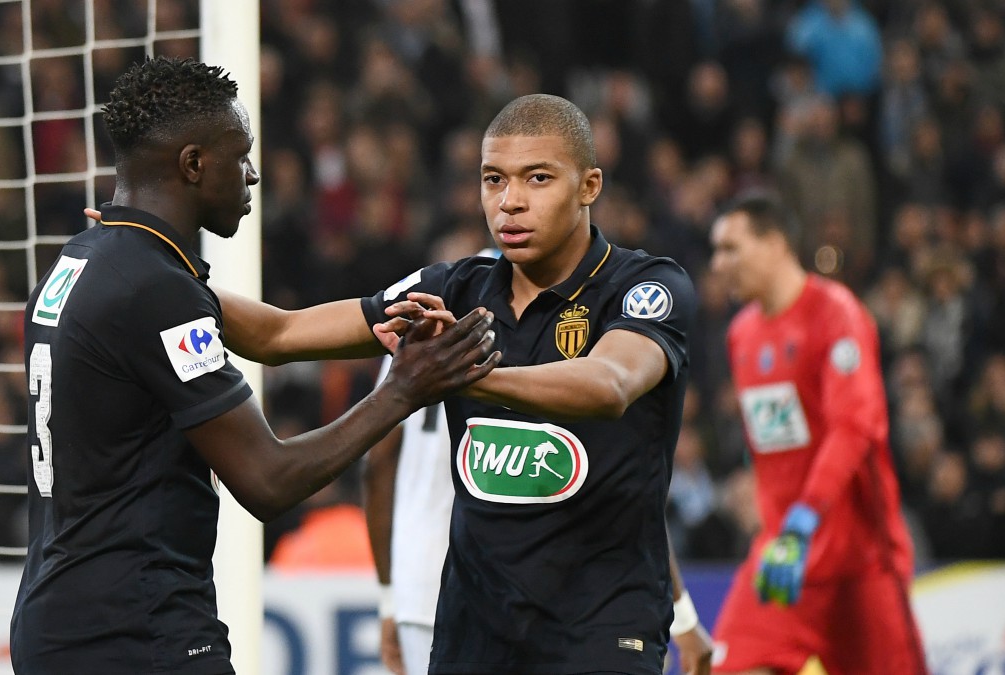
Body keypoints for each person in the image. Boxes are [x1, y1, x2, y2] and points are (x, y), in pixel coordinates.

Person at [9, 57, 500, 675]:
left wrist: (395, 308)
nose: (253, 174)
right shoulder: (153, 291)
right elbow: (269, 480)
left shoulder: (87, 260)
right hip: (136, 629)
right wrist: (403, 390)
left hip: (58, 620)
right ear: (192, 164)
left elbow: (276, 331)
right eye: (239, 155)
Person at [209, 93, 700, 673]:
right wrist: (161, 271)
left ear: (589, 186)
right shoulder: (456, 288)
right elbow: (281, 335)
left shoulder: (644, 286)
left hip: (599, 631)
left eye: (537, 179)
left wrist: (461, 372)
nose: (510, 202)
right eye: (494, 180)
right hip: (473, 633)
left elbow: (609, 385)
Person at [363, 356, 715, 675]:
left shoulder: (416, 304)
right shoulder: (546, 315)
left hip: (421, 580)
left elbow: (376, 463)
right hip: (522, 582)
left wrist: (389, 598)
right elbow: (615, 481)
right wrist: (681, 613)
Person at [707, 193, 927, 674]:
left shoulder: (836, 314)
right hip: (782, 558)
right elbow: (773, 439)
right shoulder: (741, 334)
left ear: (775, 244)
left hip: (859, 561)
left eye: (730, 248)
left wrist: (803, 519)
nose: (718, 265)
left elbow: (855, 427)